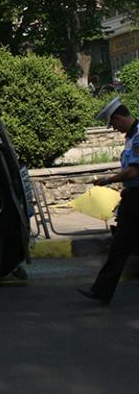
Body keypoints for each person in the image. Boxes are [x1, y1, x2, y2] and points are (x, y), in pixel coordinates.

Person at [77, 98, 139, 305]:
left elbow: (133, 170)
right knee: (121, 245)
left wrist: (107, 180)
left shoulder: (138, 136)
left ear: (119, 118)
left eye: (113, 124)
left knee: (121, 245)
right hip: (132, 196)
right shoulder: (131, 136)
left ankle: (102, 290)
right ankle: (102, 290)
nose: (113, 128)